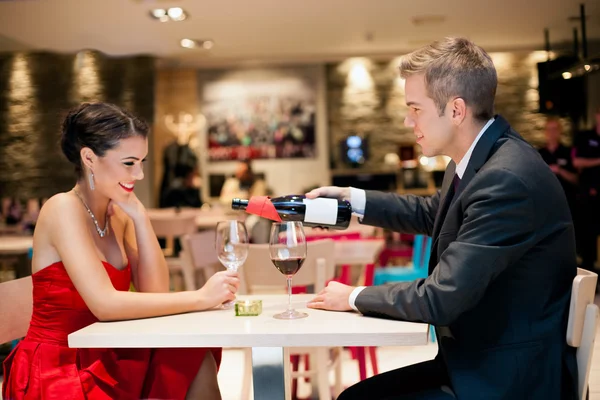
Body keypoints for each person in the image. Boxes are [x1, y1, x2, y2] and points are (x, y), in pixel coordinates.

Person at [306, 37, 578, 400]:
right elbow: (431, 213)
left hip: (507, 380)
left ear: (456, 110)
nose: (407, 120)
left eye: (415, 109)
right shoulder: (479, 160)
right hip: (479, 361)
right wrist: (352, 199)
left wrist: (354, 295)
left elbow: (442, 297)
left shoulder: (505, 180)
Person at [2, 102, 240, 400]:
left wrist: (140, 217)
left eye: (142, 161)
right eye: (129, 163)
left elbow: (154, 292)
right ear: (89, 158)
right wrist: (200, 298)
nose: (139, 174)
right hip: (61, 366)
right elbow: (104, 304)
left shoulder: (121, 214)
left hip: (107, 350)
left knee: (189, 356)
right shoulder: (62, 208)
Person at [573, 106, 600, 273]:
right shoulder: (585, 137)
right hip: (588, 198)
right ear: (597, 116)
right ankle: (590, 277)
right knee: (587, 239)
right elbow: (577, 162)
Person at [538, 117, 578, 216]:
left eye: (555, 129)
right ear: (545, 132)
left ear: (560, 131)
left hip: (567, 202)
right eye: (549, 129)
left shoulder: (568, 152)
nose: (552, 133)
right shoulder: (538, 154)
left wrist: (560, 170)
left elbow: (576, 179)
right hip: (546, 202)